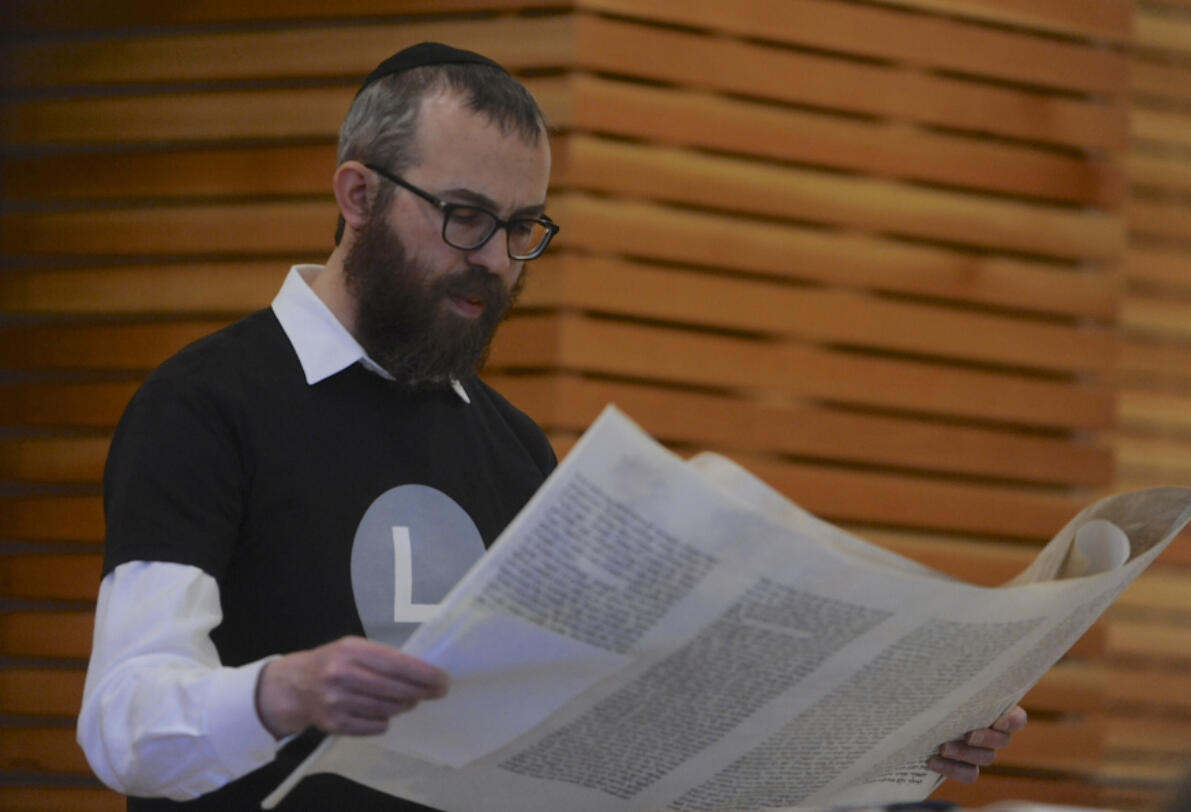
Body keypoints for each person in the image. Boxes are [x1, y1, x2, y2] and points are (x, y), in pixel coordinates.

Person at [76, 42, 1025, 811]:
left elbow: (625, 740)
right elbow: (123, 724)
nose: (493, 260)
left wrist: (898, 741)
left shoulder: (513, 446)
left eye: (523, 227)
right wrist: (280, 692)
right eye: (462, 217)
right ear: (357, 196)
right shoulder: (206, 404)